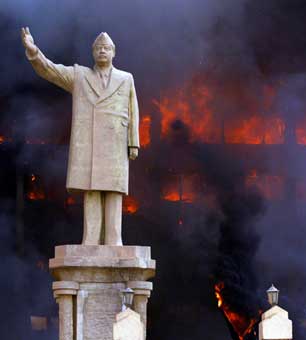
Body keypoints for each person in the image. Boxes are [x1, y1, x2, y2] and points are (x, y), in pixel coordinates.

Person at [21, 27, 140, 246]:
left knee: (114, 190)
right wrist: (34, 51)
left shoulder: (126, 79)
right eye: (98, 48)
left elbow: (133, 110)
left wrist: (134, 143)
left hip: (115, 142)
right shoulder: (80, 75)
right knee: (92, 190)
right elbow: (51, 70)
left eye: (106, 48)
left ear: (114, 52)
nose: (102, 51)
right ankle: (91, 239)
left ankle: (114, 240)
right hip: (90, 142)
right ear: (93, 53)